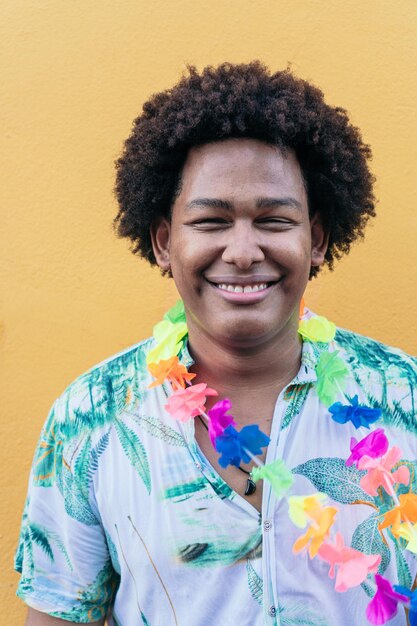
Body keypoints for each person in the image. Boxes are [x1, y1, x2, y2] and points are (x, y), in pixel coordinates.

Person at [15, 62, 417, 626]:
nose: (244, 251)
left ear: (317, 240)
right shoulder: (90, 418)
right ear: (163, 243)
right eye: (211, 221)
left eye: (275, 220)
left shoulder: (405, 397)